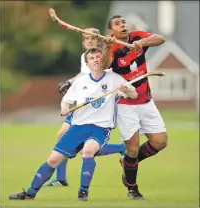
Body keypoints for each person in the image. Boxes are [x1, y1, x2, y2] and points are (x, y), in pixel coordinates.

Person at [9, 47, 138, 201]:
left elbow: (134, 94)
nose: (96, 59)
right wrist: (64, 108)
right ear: (87, 63)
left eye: (99, 56)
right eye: (92, 58)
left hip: (100, 128)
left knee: (88, 151)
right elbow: (66, 101)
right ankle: (29, 193)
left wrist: (127, 90)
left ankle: (83, 192)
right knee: (52, 160)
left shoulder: (114, 78)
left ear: (103, 59)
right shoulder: (81, 81)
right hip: (77, 127)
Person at [45, 28, 126, 187]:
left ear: (99, 40)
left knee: (84, 148)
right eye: (85, 38)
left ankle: (120, 148)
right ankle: (61, 178)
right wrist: (69, 81)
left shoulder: (101, 57)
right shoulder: (85, 56)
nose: (88, 41)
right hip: (82, 106)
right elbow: (84, 74)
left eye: (92, 38)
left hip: (96, 108)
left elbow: (102, 74)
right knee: (64, 136)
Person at [101, 15, 167, 200]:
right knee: (132, 147)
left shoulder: (137, 37)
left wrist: (143, 42)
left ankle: (127, 162)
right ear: (111, 31)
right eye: (117, 24)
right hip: (125, 105)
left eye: (123, 22)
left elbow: (160, 39)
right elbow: (104, 65)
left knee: (160, 142)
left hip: (146, 101)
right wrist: (106, 47)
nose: (122, 25)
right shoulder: (111, 47)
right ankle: (132, 188)